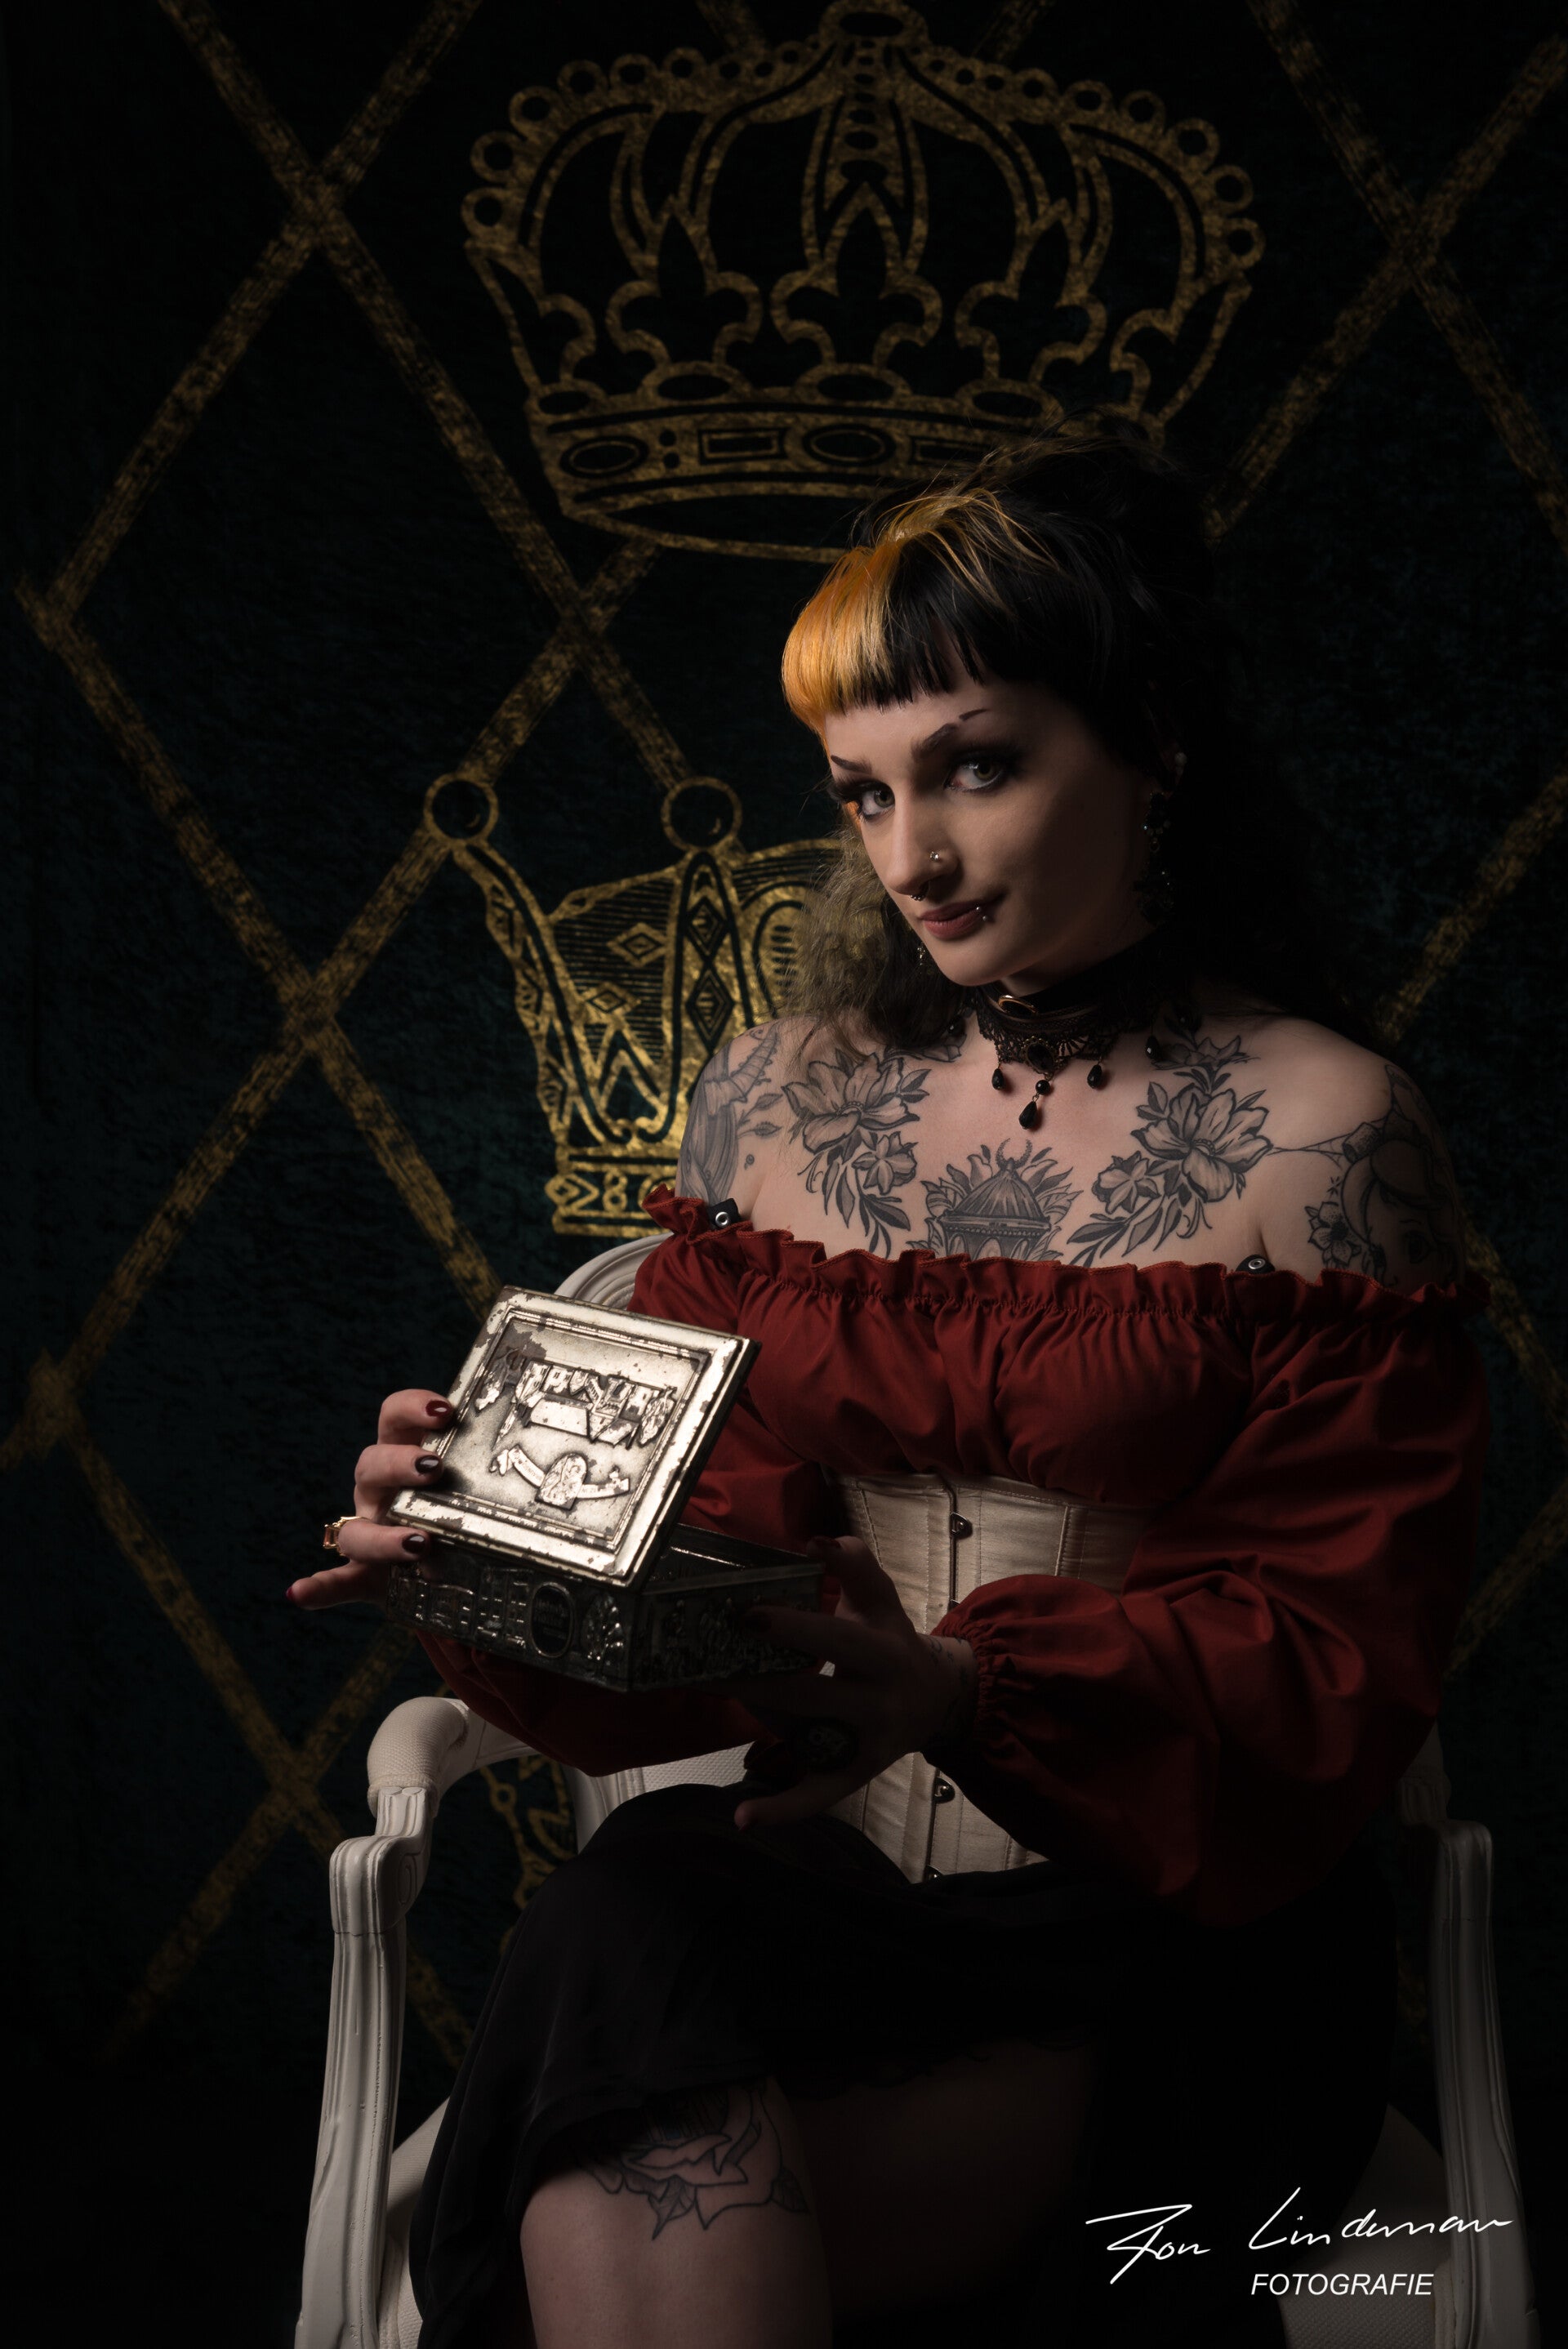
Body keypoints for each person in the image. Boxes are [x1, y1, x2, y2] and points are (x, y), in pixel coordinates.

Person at [291, 421, 1490, 2349]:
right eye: (862, 791)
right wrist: (493, 1541)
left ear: (1153, 743)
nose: (911, 854)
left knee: (606, 2162)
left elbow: (1338, 1656)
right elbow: (716, 1564)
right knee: (625, 1922)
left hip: (1161, 1923)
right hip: (819, 1889)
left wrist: (965, 1689)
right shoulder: (771, 1103)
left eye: (976, 767)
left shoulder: (1329, 1131)